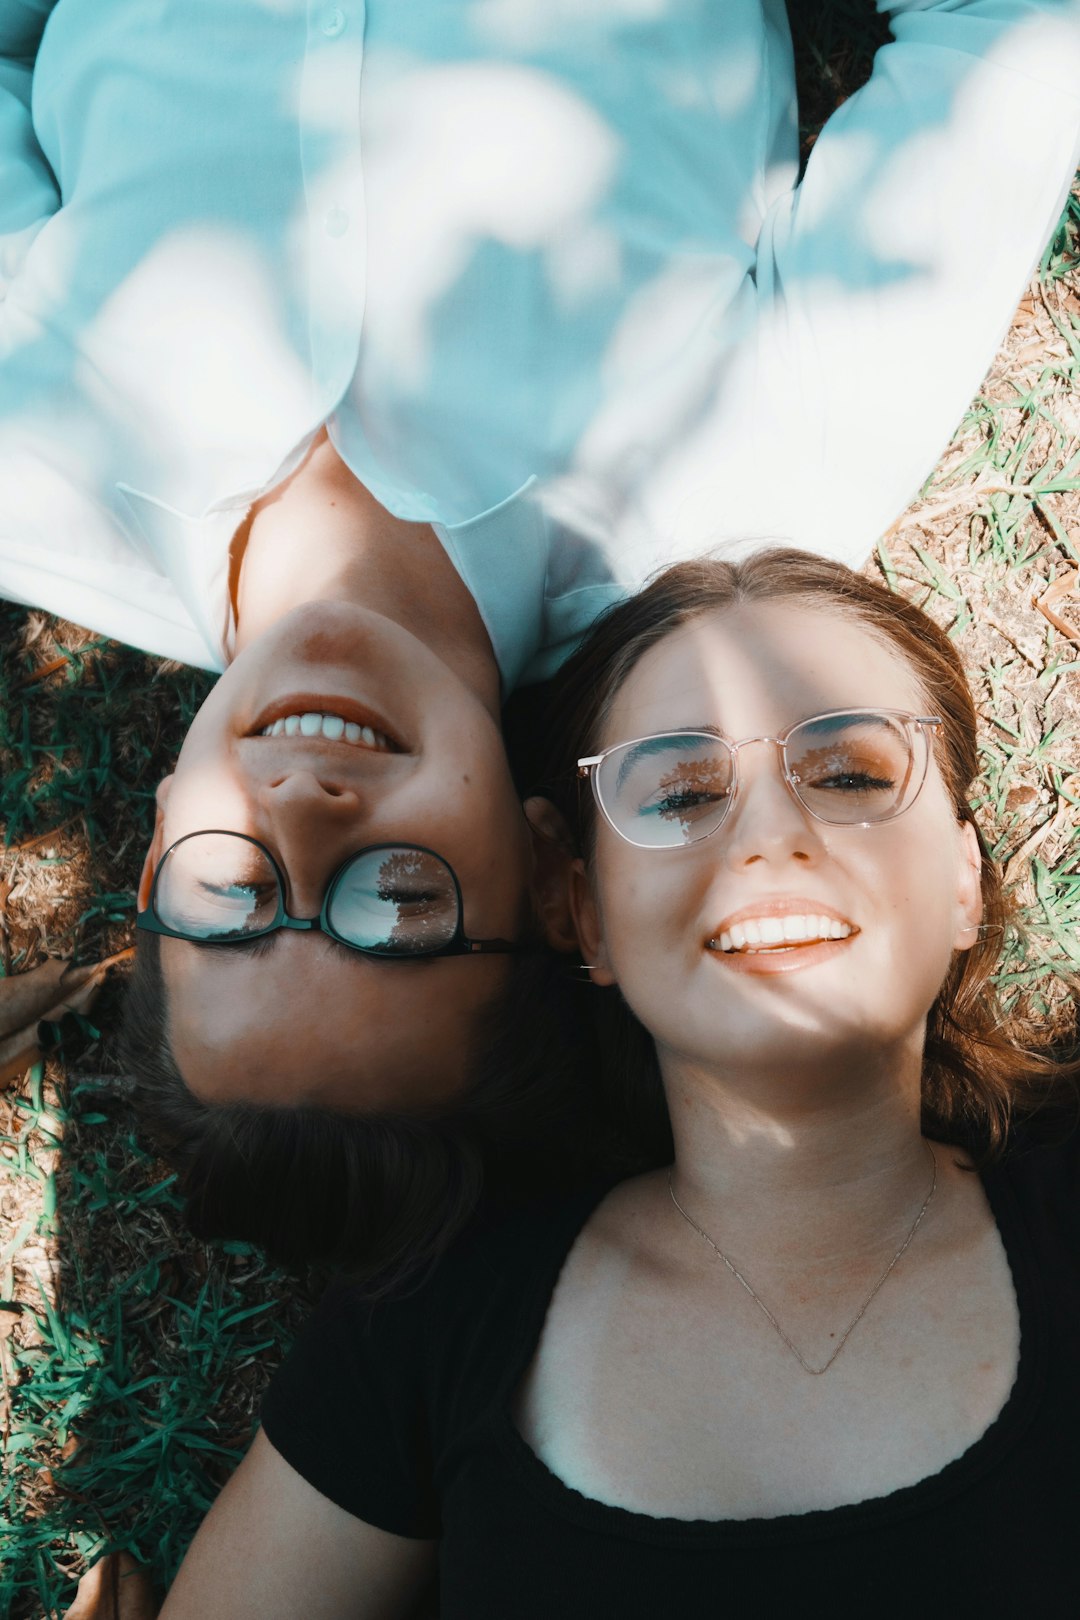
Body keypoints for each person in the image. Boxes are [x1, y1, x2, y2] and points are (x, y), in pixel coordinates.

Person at [3, 0, 1080, 1267]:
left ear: (149, 870)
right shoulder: (742, 479)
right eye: (400, 903)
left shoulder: (32, 468)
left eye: (231, 895)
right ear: (554, 876)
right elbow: (1004, 40)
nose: (304, 802)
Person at [157, 550, 1078, 1616]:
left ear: (965, 881)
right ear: (582, 913)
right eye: (681, 793)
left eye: (850, 776)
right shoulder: (438, 1320)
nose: (772, 836)